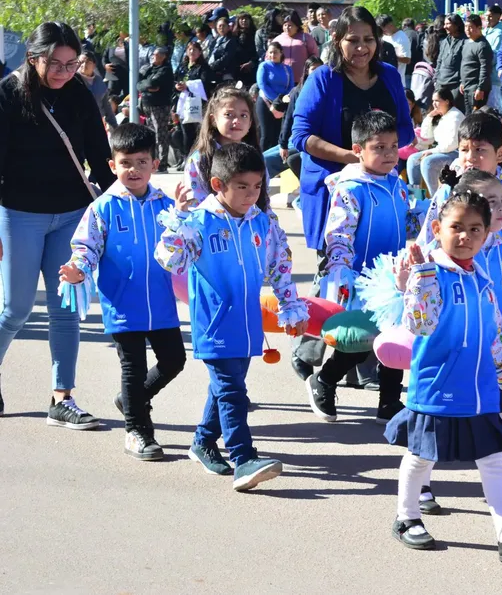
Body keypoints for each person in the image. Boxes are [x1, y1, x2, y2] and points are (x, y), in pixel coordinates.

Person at [386, 197, 502, 562]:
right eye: (456, 227)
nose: (465, 236)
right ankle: (406, 518)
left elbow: (494, 334)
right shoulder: (430, 272)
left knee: (492, 459)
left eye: (475, 229)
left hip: (481, 391)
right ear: (438, 229)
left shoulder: (483, 280)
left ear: (487, 235)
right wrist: (421, 279)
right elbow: (419, 325)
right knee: (422, 457)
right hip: (437, 388)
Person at [157, 142, 307, 492]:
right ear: (217, 185)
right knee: (232, 390)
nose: (251, 194)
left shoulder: (263, 222)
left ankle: (202, 441)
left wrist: (290, 306)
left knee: (226, 388)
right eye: (242, 187)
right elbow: (170, 261)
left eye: (257, 186)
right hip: (214, 325)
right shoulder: (197, 222)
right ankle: (243, 458)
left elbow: (281, 267)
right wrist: (177, 224)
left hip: (247, 323)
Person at [289, 6, 414, 380]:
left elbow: (405, 129)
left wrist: (383, 152)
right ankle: (309, 350)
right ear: (337, 41)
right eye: (353, 40)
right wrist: (352, 159)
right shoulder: (323, 80)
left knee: (379, 276)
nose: (361, 48)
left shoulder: (389, 76)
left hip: (380, 191)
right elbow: (301, 136)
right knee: (334, 275)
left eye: (368, 40)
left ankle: (365, 358)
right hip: (334, 190)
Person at [0, 22, 116, 424]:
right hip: (19, 213)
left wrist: (118, 201)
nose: (64, 73)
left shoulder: (79, 94)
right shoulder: (8, 94)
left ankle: (61, 398)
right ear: (33, 59)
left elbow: (100, 156)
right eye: (55, 64)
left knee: (64, 308)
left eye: (72, 64)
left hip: (72, 213)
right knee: (14, 310)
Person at [418, 168, 502, 531]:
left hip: (500, 355)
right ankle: (420, 487)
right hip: (455, 359)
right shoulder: (450, 253)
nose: (499, 209)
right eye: (489, 203)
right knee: (435, 427)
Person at [59, 123, 185, 459]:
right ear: (113, 165)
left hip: (161, 302)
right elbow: (86, 246)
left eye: (142, 162)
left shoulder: (165, 205)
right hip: (122, 302)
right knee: (133, 367)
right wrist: (77, 269)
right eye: (126, 162)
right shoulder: (103, 207)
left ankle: (132, 397)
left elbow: (183, 241)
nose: (134, 169)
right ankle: (137, 432)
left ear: (155, 164)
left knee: (175, 360)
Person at [306, 111, 414, 423]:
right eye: (379, 147)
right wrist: (342, 270)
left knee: (393, 336)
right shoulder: (351, 188)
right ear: (358, 150)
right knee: (359, 340)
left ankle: (389, 403)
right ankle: (323, 380)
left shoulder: (398, 185)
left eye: (393, 146)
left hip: (394, 276)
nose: (389, 154)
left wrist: (433, 214)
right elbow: (339, 233)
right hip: (360, 278)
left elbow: (408, 221)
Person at [417, 111, 502, 260]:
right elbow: (427, 240)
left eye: (479, 150)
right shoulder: (450, 190)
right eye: (464, 150)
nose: (470, 157)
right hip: (458, 280)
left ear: (500, 154)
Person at [267, 55, 324, 183]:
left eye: (320, 69)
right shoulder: (297, 91)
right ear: (307, 71)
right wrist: (283, 144)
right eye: (313, 69)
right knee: (264, 159)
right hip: (295, 138)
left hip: (315, 140)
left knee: (293, 160)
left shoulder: (328, 91)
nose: (317, 73)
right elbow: (288, 119)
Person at [409, 88, 465, 195]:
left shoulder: (455, 116)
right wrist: (429, 117)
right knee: (413, 160)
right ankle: (415, 198)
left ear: (447, 101)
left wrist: (432, 151)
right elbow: (426, 136)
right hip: (441, 151)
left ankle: (435, 199)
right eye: (433, 101)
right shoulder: (441, 116)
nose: (434, 104)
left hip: (455, 153)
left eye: (437, 101)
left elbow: (451, 145)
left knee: (427, 162)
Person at [174, 40, 216, 161]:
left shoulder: (203, 67)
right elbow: (175, 81)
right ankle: (187, 158)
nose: (192, 52)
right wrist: (178, 87)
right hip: (183, 103)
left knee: (198, 132)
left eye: (194, 50)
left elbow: (205, 83)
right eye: (190, 49)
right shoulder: (182, 67)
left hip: (198, 105)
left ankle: (200, 157)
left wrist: (188, 85)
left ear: (199, 52)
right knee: (185, 132)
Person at [137, 46, 175, 170]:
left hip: (160, 105)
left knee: (160, 133)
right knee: (152, 134)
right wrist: (146, 86)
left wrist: (147, 85)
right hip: (147, 105)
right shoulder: (149, 69)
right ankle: (154, 160)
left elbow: (153, 83)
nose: (154, 56)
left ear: (164, 56)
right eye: (153, 54)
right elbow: (139, 83)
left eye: (157, 55)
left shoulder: (165, 70)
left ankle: (162, 163)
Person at [256, 42, 295, 152]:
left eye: (275, 52)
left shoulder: (287, 69)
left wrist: (283, 101)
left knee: (279, 133)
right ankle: (262, 160)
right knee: (266, 134)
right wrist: (276, 100)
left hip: (282, 105)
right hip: (265, 102)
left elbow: (291, 86)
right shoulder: (264, 66)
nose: (273, 55)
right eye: (270, 52)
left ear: (281, 53)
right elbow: (262, 85)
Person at [459, 14, 493, 114]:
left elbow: (485, 68)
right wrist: (462, 82)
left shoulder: (482, 45)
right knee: (468, 115)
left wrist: (481, 88)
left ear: (479, 28)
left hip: (476, 87)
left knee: (476, 116)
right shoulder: (467, 43)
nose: (467, 30)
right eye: (466, 27)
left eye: (470, 27)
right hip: (466, 86)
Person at [274, 10, 319, 84]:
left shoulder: (306, 38)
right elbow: (269, 57)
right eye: (285, 25)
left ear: (297, 26)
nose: (287, 28)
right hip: (282, 79)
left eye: (290, 25)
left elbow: (314, 56)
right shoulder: (278, 39)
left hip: (302, 79)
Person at [434, 14, 467, 113]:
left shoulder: (465, 41)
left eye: (448, 23)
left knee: (455, 111)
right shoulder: (444, 41)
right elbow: (439, 61)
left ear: (456, 25)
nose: (444, 27)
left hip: (455, 85)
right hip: (441, 83)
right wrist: (436, 78)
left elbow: (465, 64)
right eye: (444, 24)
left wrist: (463, 81)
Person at [77, 49, 117, 130]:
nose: (84, 65)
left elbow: (106, 106)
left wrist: (114, 125)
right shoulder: (73, 80)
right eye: (81, 62)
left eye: (88, 62)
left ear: (94, 65)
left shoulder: (99, 81)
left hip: (98, 122)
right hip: (79, 123)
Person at [483, 5, 502, 111]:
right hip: (484, 76)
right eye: (486, 16)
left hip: (493, 77)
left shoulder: (499, 33)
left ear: (498, 17)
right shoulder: (486, 31)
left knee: (495, 107)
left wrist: (481, 61)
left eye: (490, 16)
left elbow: (496, 56)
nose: (487, 18)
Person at [207, 16, 241, 83]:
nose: (221, 28)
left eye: (223, 26)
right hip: (212, 70)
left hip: (225, 72)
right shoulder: (214, 40)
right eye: (219, 26)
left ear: (228, 27)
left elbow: (226, 58)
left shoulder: (231, 40)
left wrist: (211, 66)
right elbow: (210, 54)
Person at [378, 14, 412, 82]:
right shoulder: (384, 36)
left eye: (384, 31)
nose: (383, 33)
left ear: (390, 25)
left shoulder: (402, 37)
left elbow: (407, 60)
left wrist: (391, 55)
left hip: (396, 81)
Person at [102, 31, 130, 97]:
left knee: (127, 97)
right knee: (111, 96)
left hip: (126, 75)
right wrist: (105, 65)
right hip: (113, 74)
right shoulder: (111, 43)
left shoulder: (129, 43)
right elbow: (104, 57)